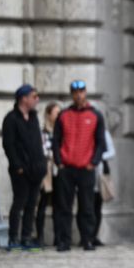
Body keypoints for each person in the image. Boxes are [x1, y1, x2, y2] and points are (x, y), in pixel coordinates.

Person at [52, 81, 106, 252]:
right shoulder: (63, 115)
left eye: (81, 91)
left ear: (85, 92)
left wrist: (94, 162)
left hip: (86, 168)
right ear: (71, 94)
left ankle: (87, 240)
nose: (78, 95)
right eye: (75, 92)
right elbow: (56, 141)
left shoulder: (95, 115)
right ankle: (64, 241)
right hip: (66, 168)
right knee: (64, 207)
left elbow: (100, 143)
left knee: (87, 207)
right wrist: (59, 162)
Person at [2, 85, 48, 251]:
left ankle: (26, 237)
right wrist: (17, 166)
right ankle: (13, 237)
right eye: (34, 96)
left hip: (36, 169)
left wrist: (42, 165)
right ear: (24, 98)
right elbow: (9, 145)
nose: (37, 100)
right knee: (19, 203)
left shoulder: (34, 117)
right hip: (20, 170)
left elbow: (37, 143)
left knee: (31, 205)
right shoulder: (11, 119)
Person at [35, 102, 62, 247]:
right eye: (56, 113)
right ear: (48, 114)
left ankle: (58, 237)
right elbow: (43, 151)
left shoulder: (61, 132)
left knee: (59, 205)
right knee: (43, 203)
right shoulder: (43, 132)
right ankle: (39, 237)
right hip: (46, 172)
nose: (59, 116)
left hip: (59, 171)